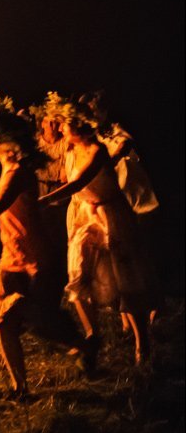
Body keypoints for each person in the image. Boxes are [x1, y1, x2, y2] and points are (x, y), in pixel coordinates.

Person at [0, 93, 96, 398]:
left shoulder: (19, 173)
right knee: (3, 323)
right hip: (10, 254)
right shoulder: (7, 170)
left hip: (34, 257)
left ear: (7, 141)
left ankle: (82, 346)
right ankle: (20, 387)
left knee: (39, 320)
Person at [40, 97, 159, 365]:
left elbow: (80, 181)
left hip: (110, 215)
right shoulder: (71, 150)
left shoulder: (96, 150)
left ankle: (142, 343)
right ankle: (92, 335)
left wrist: (45, 201)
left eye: (64, 126)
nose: (60, 130)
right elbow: (69, 182)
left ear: (78, 127)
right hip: (86, 215)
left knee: (125, 280)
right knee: (78, 273)